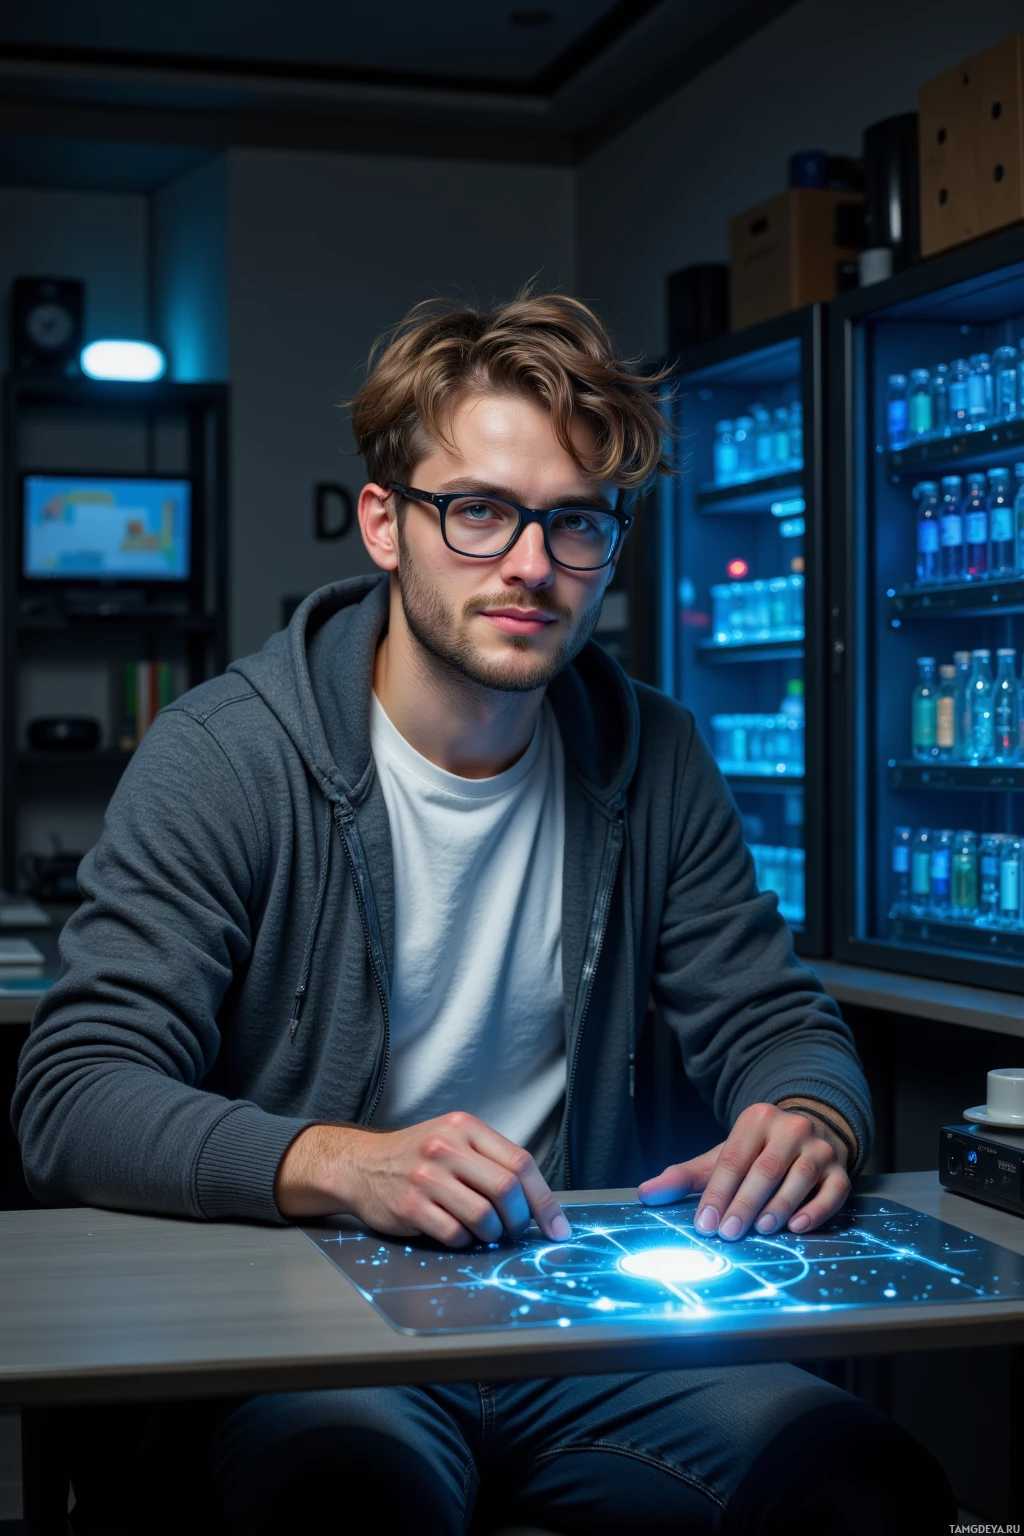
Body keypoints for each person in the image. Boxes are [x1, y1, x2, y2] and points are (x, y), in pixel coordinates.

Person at [14, 292, 953, 1534]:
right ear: (384, 525)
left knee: (864, 1485)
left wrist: (808, 1116)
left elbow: (776, 1019)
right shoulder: (225, 754)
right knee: (349, 1504)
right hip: (321, 1314)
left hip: (573, 1310)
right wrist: (338, 1162)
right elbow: (74, 1092)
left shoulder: (655, 751)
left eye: (576, 522)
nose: (529, 565)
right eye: (478, 511)